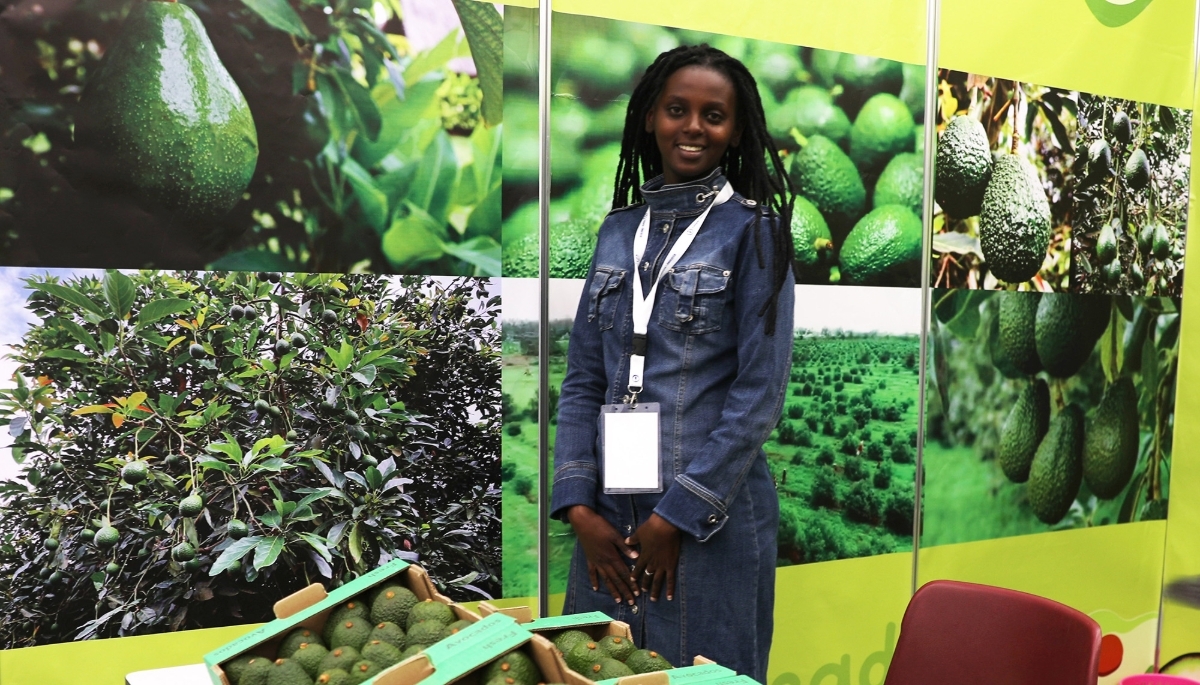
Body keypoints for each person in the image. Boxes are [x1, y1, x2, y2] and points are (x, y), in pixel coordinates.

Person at [550, 44, 796, 682]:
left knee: (705, 674)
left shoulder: (754, 232)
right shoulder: (616, 230)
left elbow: (758, 398)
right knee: (596, 670)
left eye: (713, 115)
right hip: (608, 519)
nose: (693, 127)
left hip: (703, 525)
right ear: (650, 119)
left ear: (735, 130)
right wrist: (580, 509)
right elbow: (581, 382)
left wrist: (674, 517)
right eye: (677, 110)